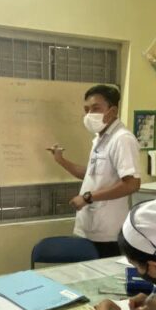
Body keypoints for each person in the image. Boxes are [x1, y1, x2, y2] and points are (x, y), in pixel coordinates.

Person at [47, 84, 140, 258]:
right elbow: (91, 174)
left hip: (107, 233)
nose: (89, 114)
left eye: (95, 108)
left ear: (112, 111)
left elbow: (132, 184)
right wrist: (61, 160)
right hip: (89, 228)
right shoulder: (100, 139)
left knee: (102, 274)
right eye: (86, 109)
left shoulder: (122, 139)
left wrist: (87, 198)